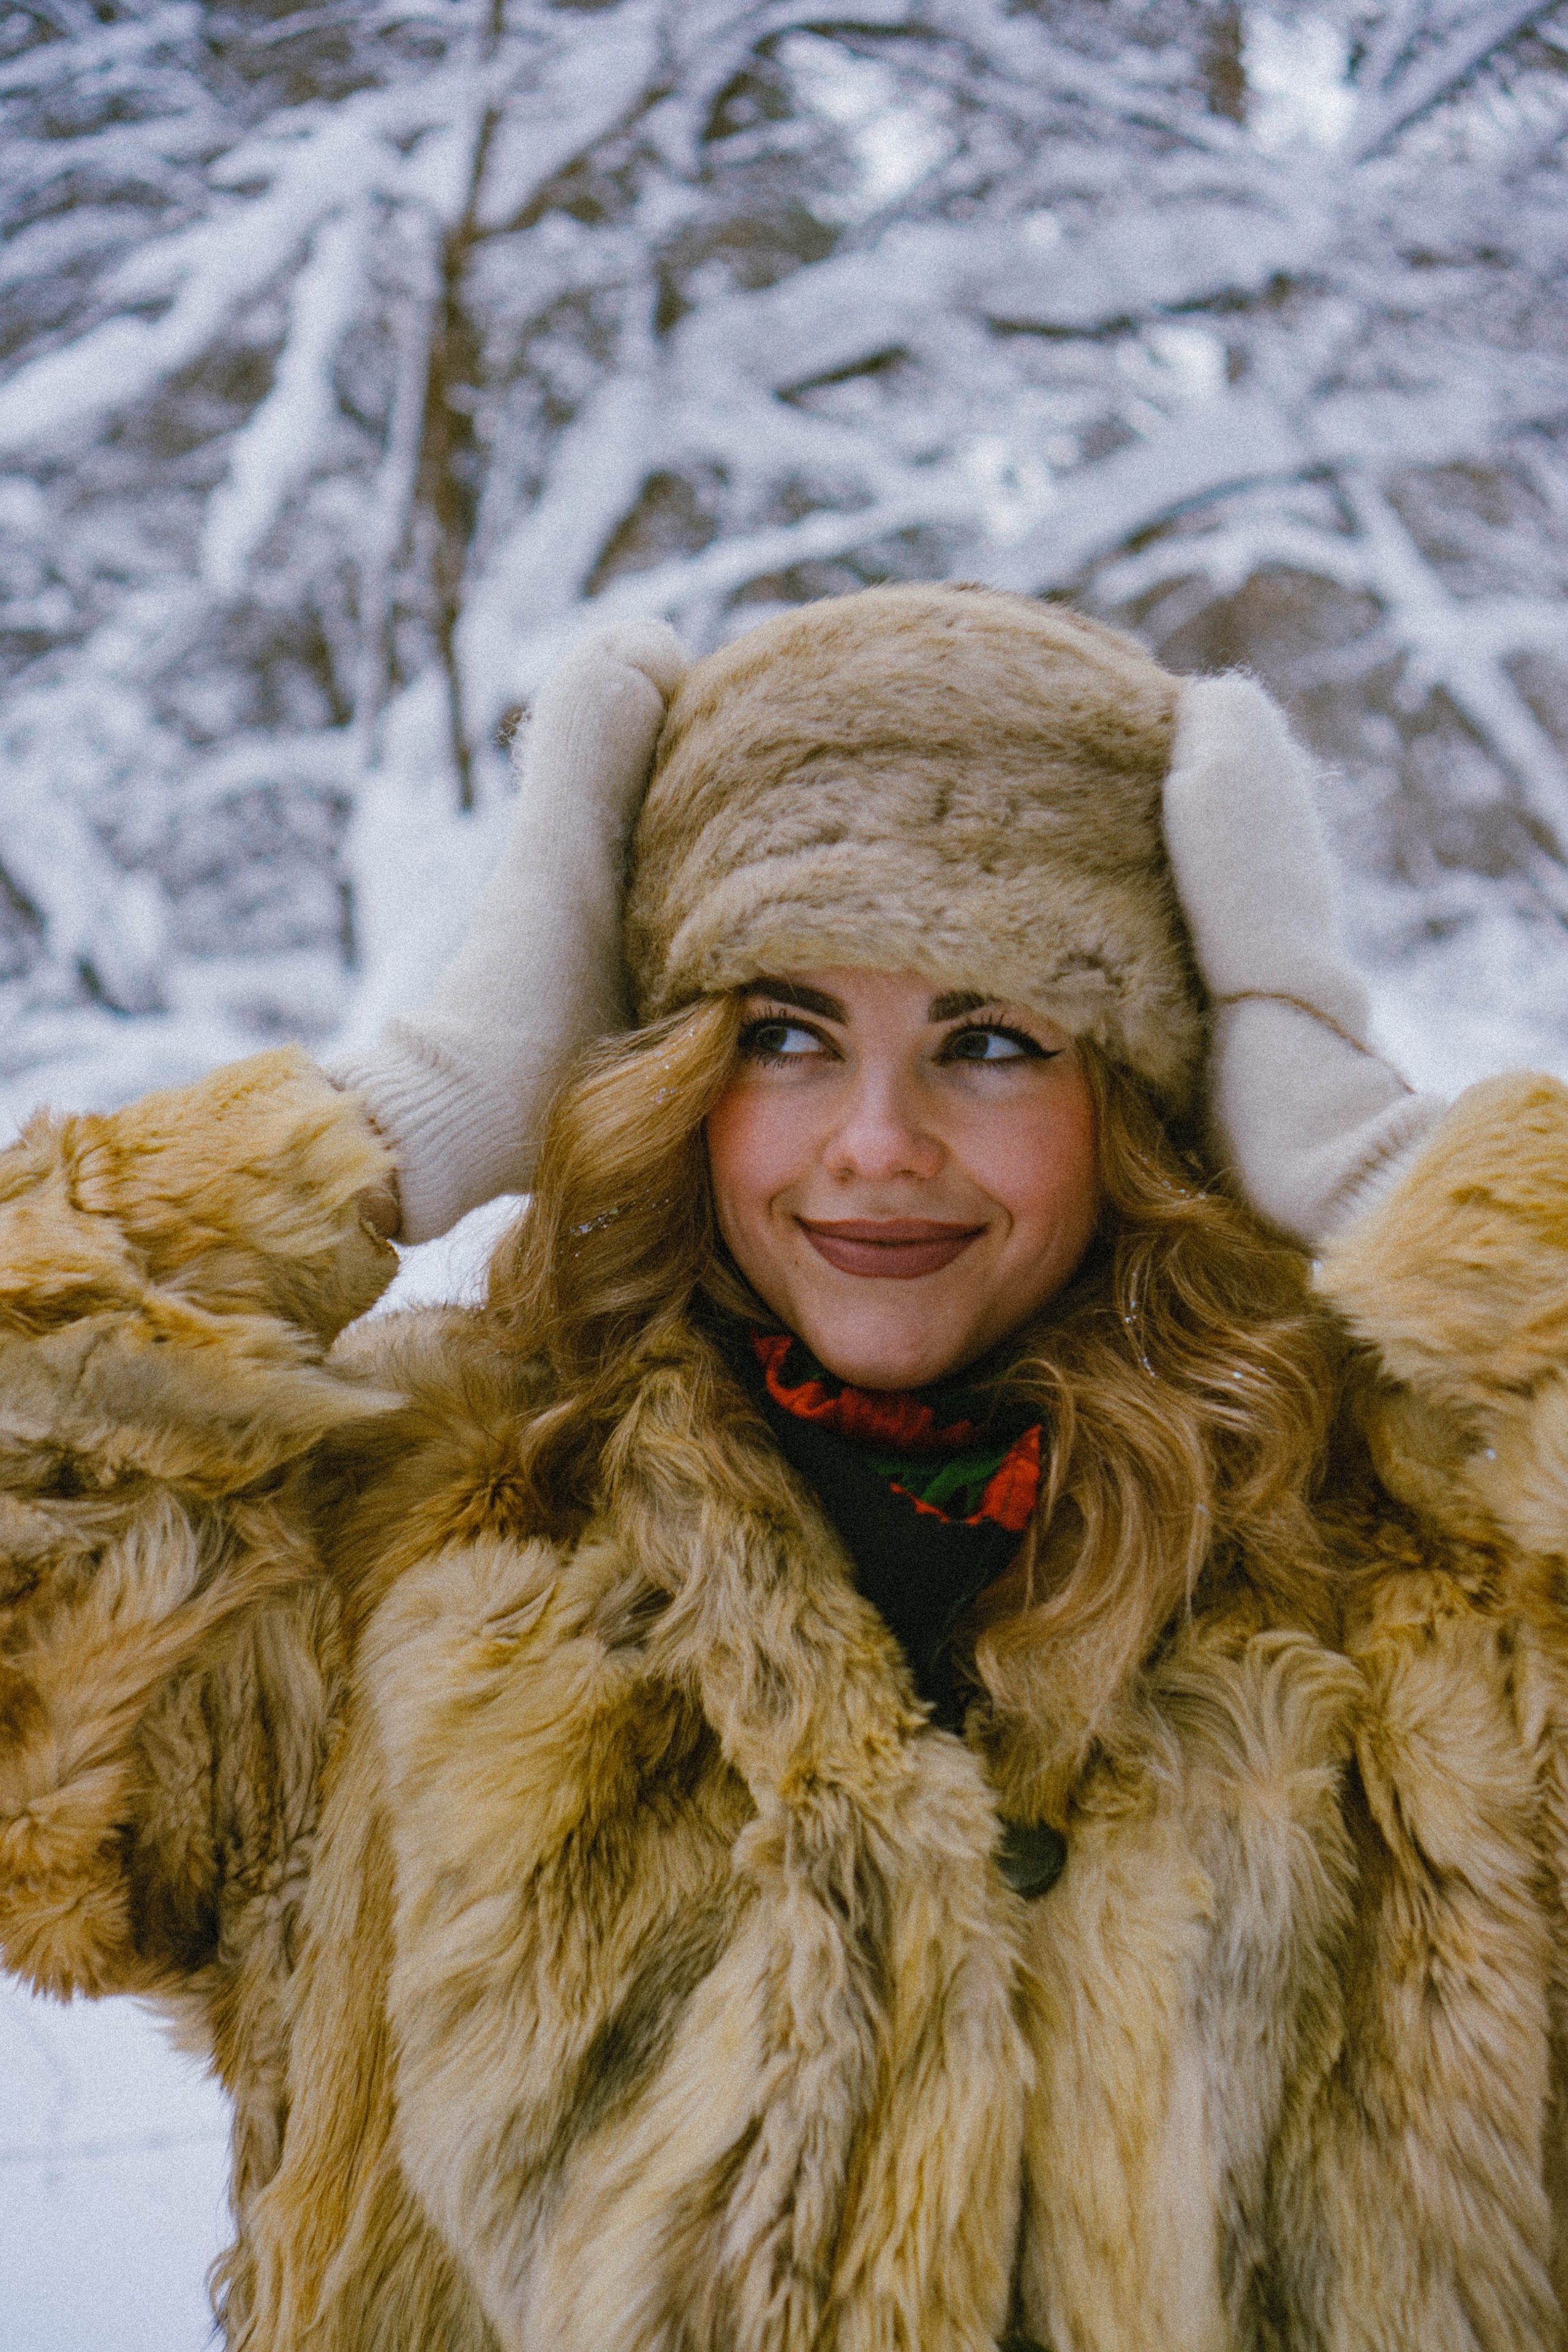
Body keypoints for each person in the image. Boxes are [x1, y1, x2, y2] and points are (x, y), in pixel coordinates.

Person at [2, 583, 1566, 2352]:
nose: (876, 1146)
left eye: (991, 1040)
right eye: (783, 1032)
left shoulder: (1427, 1597)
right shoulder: (411, 1538)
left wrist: (1391, 1174)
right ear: (667, 1070)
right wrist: (403, 1112)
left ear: (1143, 1100)